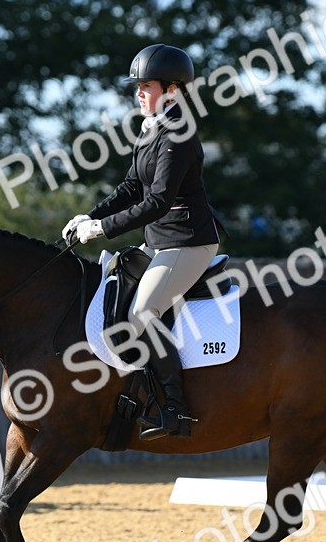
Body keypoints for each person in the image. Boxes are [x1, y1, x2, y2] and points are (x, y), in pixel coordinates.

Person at [63, 44, 223, 441]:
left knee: (142, 312)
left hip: (187, 241)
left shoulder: (178, 133)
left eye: (146, 86)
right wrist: (89, 216)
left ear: (172, 89)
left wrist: (102, 230)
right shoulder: (152, 128)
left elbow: (157, 202)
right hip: (160, 242)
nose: (138, 93)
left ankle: (175, 410)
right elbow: (132, 187)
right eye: (137, 86)